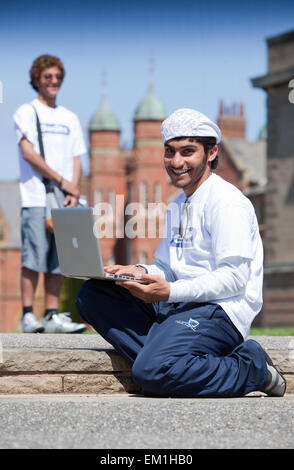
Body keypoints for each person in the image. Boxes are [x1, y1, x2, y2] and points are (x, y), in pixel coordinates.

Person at [76, 108, 286, 397]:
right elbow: (166, 264)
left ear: (211, 153)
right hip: (180, 304)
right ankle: (171, 355)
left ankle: (252, 367)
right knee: (92, 295)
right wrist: (142, 272)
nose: (176, 162)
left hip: (220, 310)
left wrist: (169, 292)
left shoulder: (227, 203)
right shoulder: (178, 203)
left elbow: (234, 280)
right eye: (170, 152)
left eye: (188, 152)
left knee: (150, 371)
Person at [13, 54, 87, 334]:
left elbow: (77, 158)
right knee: (33, 256)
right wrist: (61, 180)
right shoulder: (27, 112)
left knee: (59, 258)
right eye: (48, 77)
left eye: (57, 77)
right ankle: (29, 315)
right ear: (37, 80)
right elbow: (28, 152)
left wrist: (74, 189)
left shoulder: (70, 117)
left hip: (64, 198)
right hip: (36, 195)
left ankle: (52, 315)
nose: (53, 82)